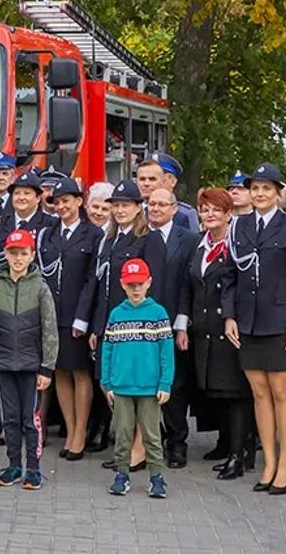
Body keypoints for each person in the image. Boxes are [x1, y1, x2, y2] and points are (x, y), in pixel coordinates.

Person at [224, 164, 286, 494]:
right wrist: (230, 316)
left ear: (277, 193)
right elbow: (230, 275)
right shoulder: (240, 226)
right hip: (248, 320)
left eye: (266, 188)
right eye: (255, 188)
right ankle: (270, 462)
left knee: (280, 391)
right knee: (259, 392)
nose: (259, 194)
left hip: (280, 321)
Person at [87, 179, 167, 462]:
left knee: (137, 386)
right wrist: (97, 326)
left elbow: (154, 285)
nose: (120, 210)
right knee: (111, 382)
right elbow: (102, 287)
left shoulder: (149, 239)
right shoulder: (108, 239)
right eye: (116, 205)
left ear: (138, 208)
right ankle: (127, 442)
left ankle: (139, 448)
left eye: (126, 205)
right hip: (111, 323)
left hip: (139, 325)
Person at [0, 228, 59, 489]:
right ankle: (14, 465)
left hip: (31, 365)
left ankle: (33, 468)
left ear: (31, 255)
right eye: (13, 253)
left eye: (23, 253)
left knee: (30, 419)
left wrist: (47, 368)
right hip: (3, 365)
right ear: (5, 254)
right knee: (10, 419)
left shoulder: (40, 288)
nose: (18, 258)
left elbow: (49, 329)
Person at [182, 187, 249, 481]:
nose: (209, 215)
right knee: (216, 390)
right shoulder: (199, 245)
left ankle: (239, 453)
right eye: (204, 209)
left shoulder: (237, 245)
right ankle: (225, 444)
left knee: (236, 392)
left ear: (228, 213)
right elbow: (189, 286)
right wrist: (183, 324)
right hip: (203, 328)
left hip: (229, 328)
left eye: (216, 210)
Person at [100, 257, 174, 499]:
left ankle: (156, 477)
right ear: (122, 284)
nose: (135, 289)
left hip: (149, 388)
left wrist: (165, 383)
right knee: (122, 433)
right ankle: (122, 474)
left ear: (149, 283)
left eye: (140, 284)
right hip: (121, 387)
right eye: (131, 285)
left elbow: (167, 352)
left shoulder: (158, 313)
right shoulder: (116, 315)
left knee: (151, 435)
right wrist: (107, 382)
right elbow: (107, 349)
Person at [39, 175, 101, 460]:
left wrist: (82, 317)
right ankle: (71, 427)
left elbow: (92, 280)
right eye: (57, 202)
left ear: (79, 201)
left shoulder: (93, 235)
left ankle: (80, 434)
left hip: (77, 315)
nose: (61, 206)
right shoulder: (48, 233)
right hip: (52, 313)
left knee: (79, 372)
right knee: (59, 371)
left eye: (67, 201)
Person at [145, 187, 196, 469]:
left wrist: (182, 324)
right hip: (144, 324)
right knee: (147, 384)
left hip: (176, 323)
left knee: (175, 386)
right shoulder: (141, 237)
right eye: (152, 204)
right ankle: (153, 439)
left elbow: (189, 284)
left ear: (174, 209)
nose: (155, 209)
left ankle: (177, 443)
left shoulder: (188, 239)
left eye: (161, 205)